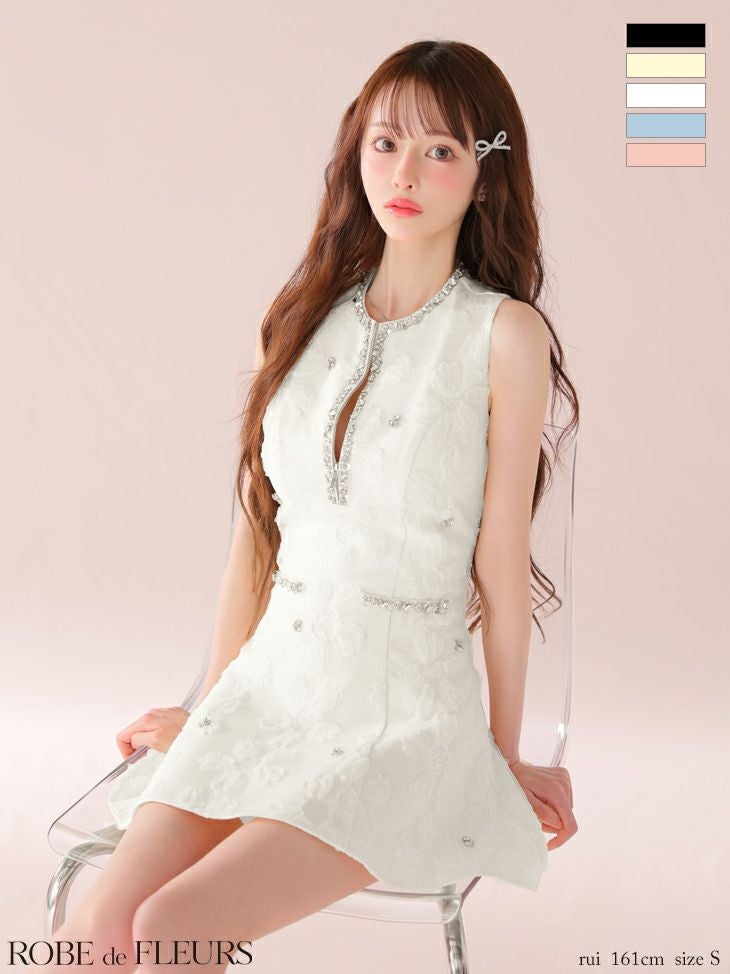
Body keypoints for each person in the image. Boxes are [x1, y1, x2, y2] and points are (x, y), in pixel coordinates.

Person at [50, 38, 578, 971]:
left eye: (441, 150)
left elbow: (500, 570)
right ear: (355, 152)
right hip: (268, 695)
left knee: (172, 927)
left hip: (401, 722)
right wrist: (208, 705)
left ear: (486, 174)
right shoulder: (296, 320)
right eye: (386, 143)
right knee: (99, 927)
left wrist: (497, 760)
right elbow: (257, 543)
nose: (404, 173)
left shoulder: (503, 334)